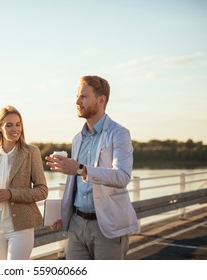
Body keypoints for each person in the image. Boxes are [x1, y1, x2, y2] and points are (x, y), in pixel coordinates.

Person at [45, 75, 139, 260]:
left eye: (83, 97)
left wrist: (81, 169)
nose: (77, 101)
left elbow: (122, 177)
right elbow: (75, 187)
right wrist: (64, 214)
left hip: (107, 227)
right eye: (77, 96)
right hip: (77, 225)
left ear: (101, 100)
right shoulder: (77, 139)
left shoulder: (119, 133)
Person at [0, 105, 48, 260]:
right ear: (0, 128)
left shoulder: (31, 152)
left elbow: (42, 190)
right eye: (9, 125)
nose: (15, 129)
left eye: (18, 124)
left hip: (21, 227)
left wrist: (10, 194)